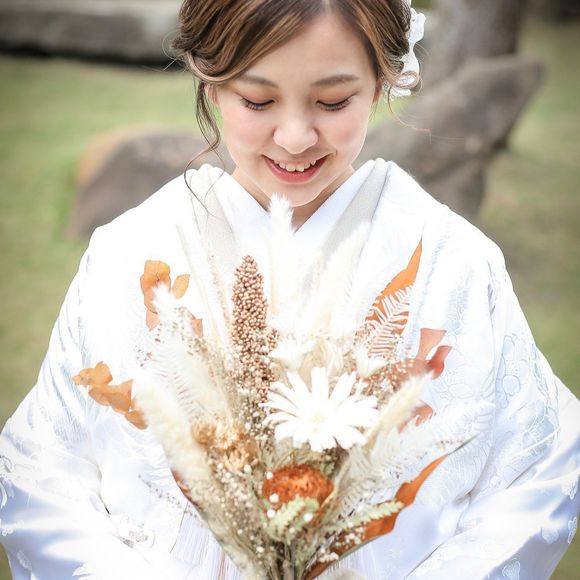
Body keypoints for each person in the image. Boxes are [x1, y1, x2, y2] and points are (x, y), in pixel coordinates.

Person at [0, 0, 578, 578]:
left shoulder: (453, 263)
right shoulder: (131, 255)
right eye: (258, 101)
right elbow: (44, 470)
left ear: (382, 80)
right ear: (210, 80)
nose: (296, 137)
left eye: (334, 101)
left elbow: (537, 467)